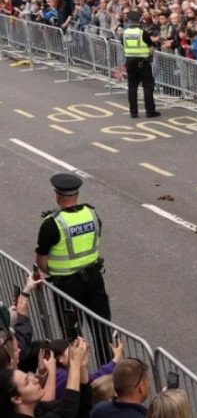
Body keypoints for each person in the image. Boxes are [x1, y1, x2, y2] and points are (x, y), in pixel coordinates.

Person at [35, 174, 112, 322]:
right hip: (94, 278)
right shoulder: (92, 214)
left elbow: (41, 261)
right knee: (103, 329)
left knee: (72, 334)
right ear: (77, 194)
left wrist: (57, 271)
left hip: (66, 285)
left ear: (57, 195)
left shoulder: (52, 223)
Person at [0, 338, 90, 418]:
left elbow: (78, 404)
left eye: (29, 376)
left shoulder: (37, 409)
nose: (35, 380)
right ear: (17, 399)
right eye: (27, 382)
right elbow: (66, 411)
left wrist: (82, 366)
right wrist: (75, 364)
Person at [122, 10, 160, 118]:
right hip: (143, 62)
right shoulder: (143, 33)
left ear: (129, 21)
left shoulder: (125, 33)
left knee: (132, 87)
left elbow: (122, 45)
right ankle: (150, 111)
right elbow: (151, 48)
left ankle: (133, 112)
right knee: (147, 86)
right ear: (139, 20)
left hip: (129, 61)